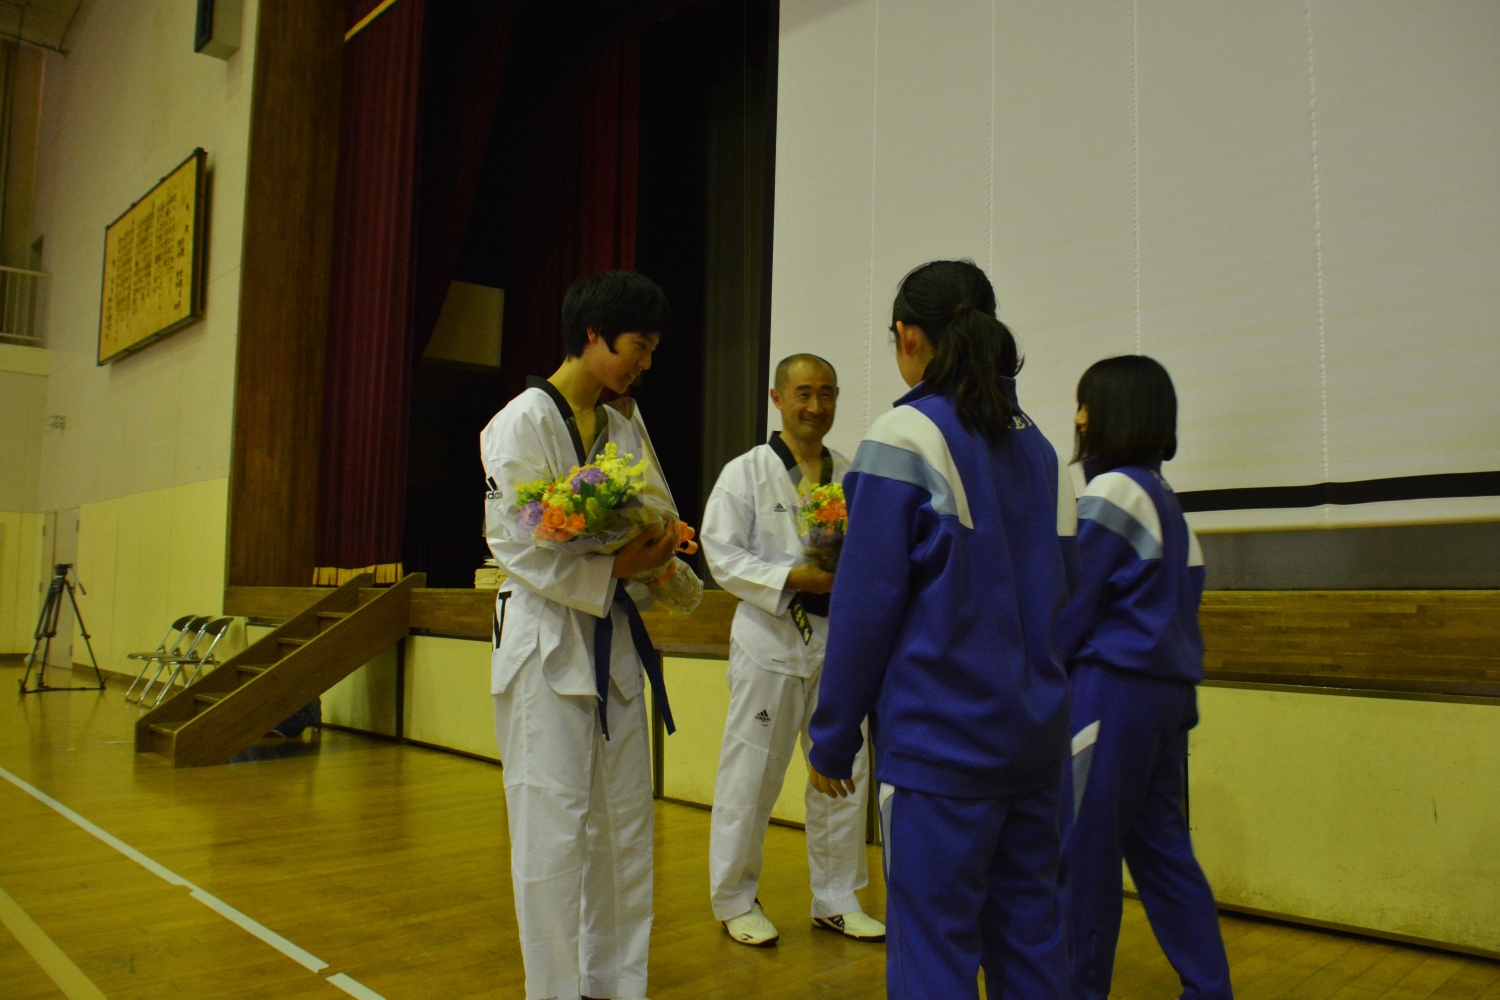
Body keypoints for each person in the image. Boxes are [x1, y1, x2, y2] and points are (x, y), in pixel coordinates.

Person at [806, 260, 1077, 1000]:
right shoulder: (1044, 451)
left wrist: (832, 736)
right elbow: (1068, 603)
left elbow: (866, 609)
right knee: (1032, 948)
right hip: (1035, 749)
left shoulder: (904, 436)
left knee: (933, 955)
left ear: (908, 337)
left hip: (941, 754)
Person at [481, 270, 693, 1000]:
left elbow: (658, 511)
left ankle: (615, 983)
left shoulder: (623, 424)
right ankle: (553, 989)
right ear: (595, 334)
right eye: (639, 345)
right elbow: (515, 544)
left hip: (617, 644)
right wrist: (613, 570)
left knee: (625, 827)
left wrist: (662, 553)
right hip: (547, 642)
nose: (645, 363)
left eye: (654, 349)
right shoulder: (522, 422)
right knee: (551, 832)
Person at [1055, 355, 1233, 1000]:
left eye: (1083, 403)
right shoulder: (1167, 501)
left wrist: (1035, 672)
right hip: (1167, 699)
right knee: (1163, 855)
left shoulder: (1111, 493)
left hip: (1113, 695)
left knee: (1082, 857)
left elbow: (1074, 608)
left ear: (1105, 414)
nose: (1077, 417)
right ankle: (1210, 989)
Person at [700, 353, 886, 948]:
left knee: (843, 769)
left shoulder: (851, 473)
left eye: (827, 393)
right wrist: (789, 580)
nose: (816, 406)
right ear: (778, 399)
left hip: (837, 647)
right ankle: (734, 898)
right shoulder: (746, 472)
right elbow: (720, 554)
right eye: (804, 393)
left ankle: (836, 898)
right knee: (751, 773)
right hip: (770, 644)